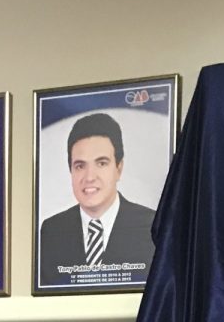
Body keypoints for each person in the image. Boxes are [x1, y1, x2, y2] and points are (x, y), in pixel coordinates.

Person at [37, 112, 157, 287]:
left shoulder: (151, 225)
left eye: (101, 163)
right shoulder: (51, 231)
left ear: (119, 168)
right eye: (80, 166)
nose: (89, 177)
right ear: (71, 171)